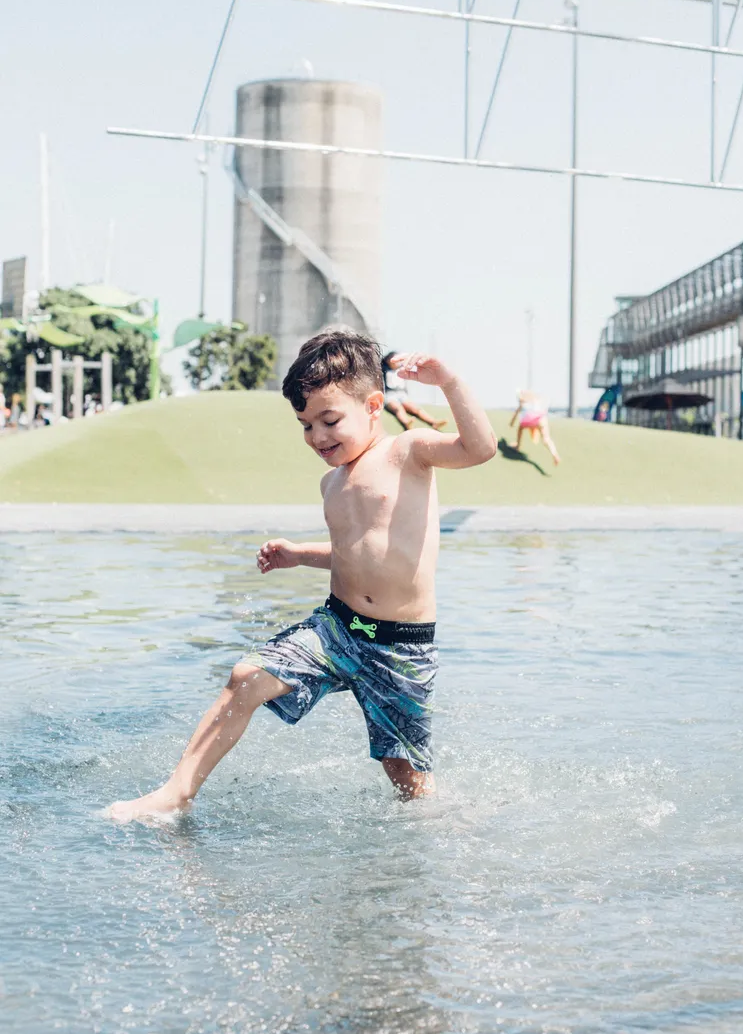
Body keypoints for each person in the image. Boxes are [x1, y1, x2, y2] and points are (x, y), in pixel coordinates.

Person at [107, 331, 496, 822]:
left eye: (329, 421)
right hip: (338, 629)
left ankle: (434, 841)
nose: (317, 437)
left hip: (401, 646)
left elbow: (479, 448)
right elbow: (355, 556)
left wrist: (449, 382)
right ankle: (175, 794)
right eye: (306, 425)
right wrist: (298, 554)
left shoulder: (409, 452)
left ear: (374, 405)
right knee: (245, 677)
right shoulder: (331, 482)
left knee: (409, 783)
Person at [381, 350, 447, 431]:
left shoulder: (401, 369)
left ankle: (433, 422)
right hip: (389, 395)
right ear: (388, 360)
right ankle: (406, 422)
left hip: (402, 395)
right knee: (397, 408)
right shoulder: (384, 369)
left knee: (415, 409)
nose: (396, 363)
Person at [509, 390, 560, 466]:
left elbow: (517, 412)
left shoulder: (523, 400)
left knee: (520, 429)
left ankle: (517, 446)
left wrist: (512, 423)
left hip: (528, 420)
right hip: (540, 418)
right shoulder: (536, 398)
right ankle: (554, 454)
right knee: (546, 439)